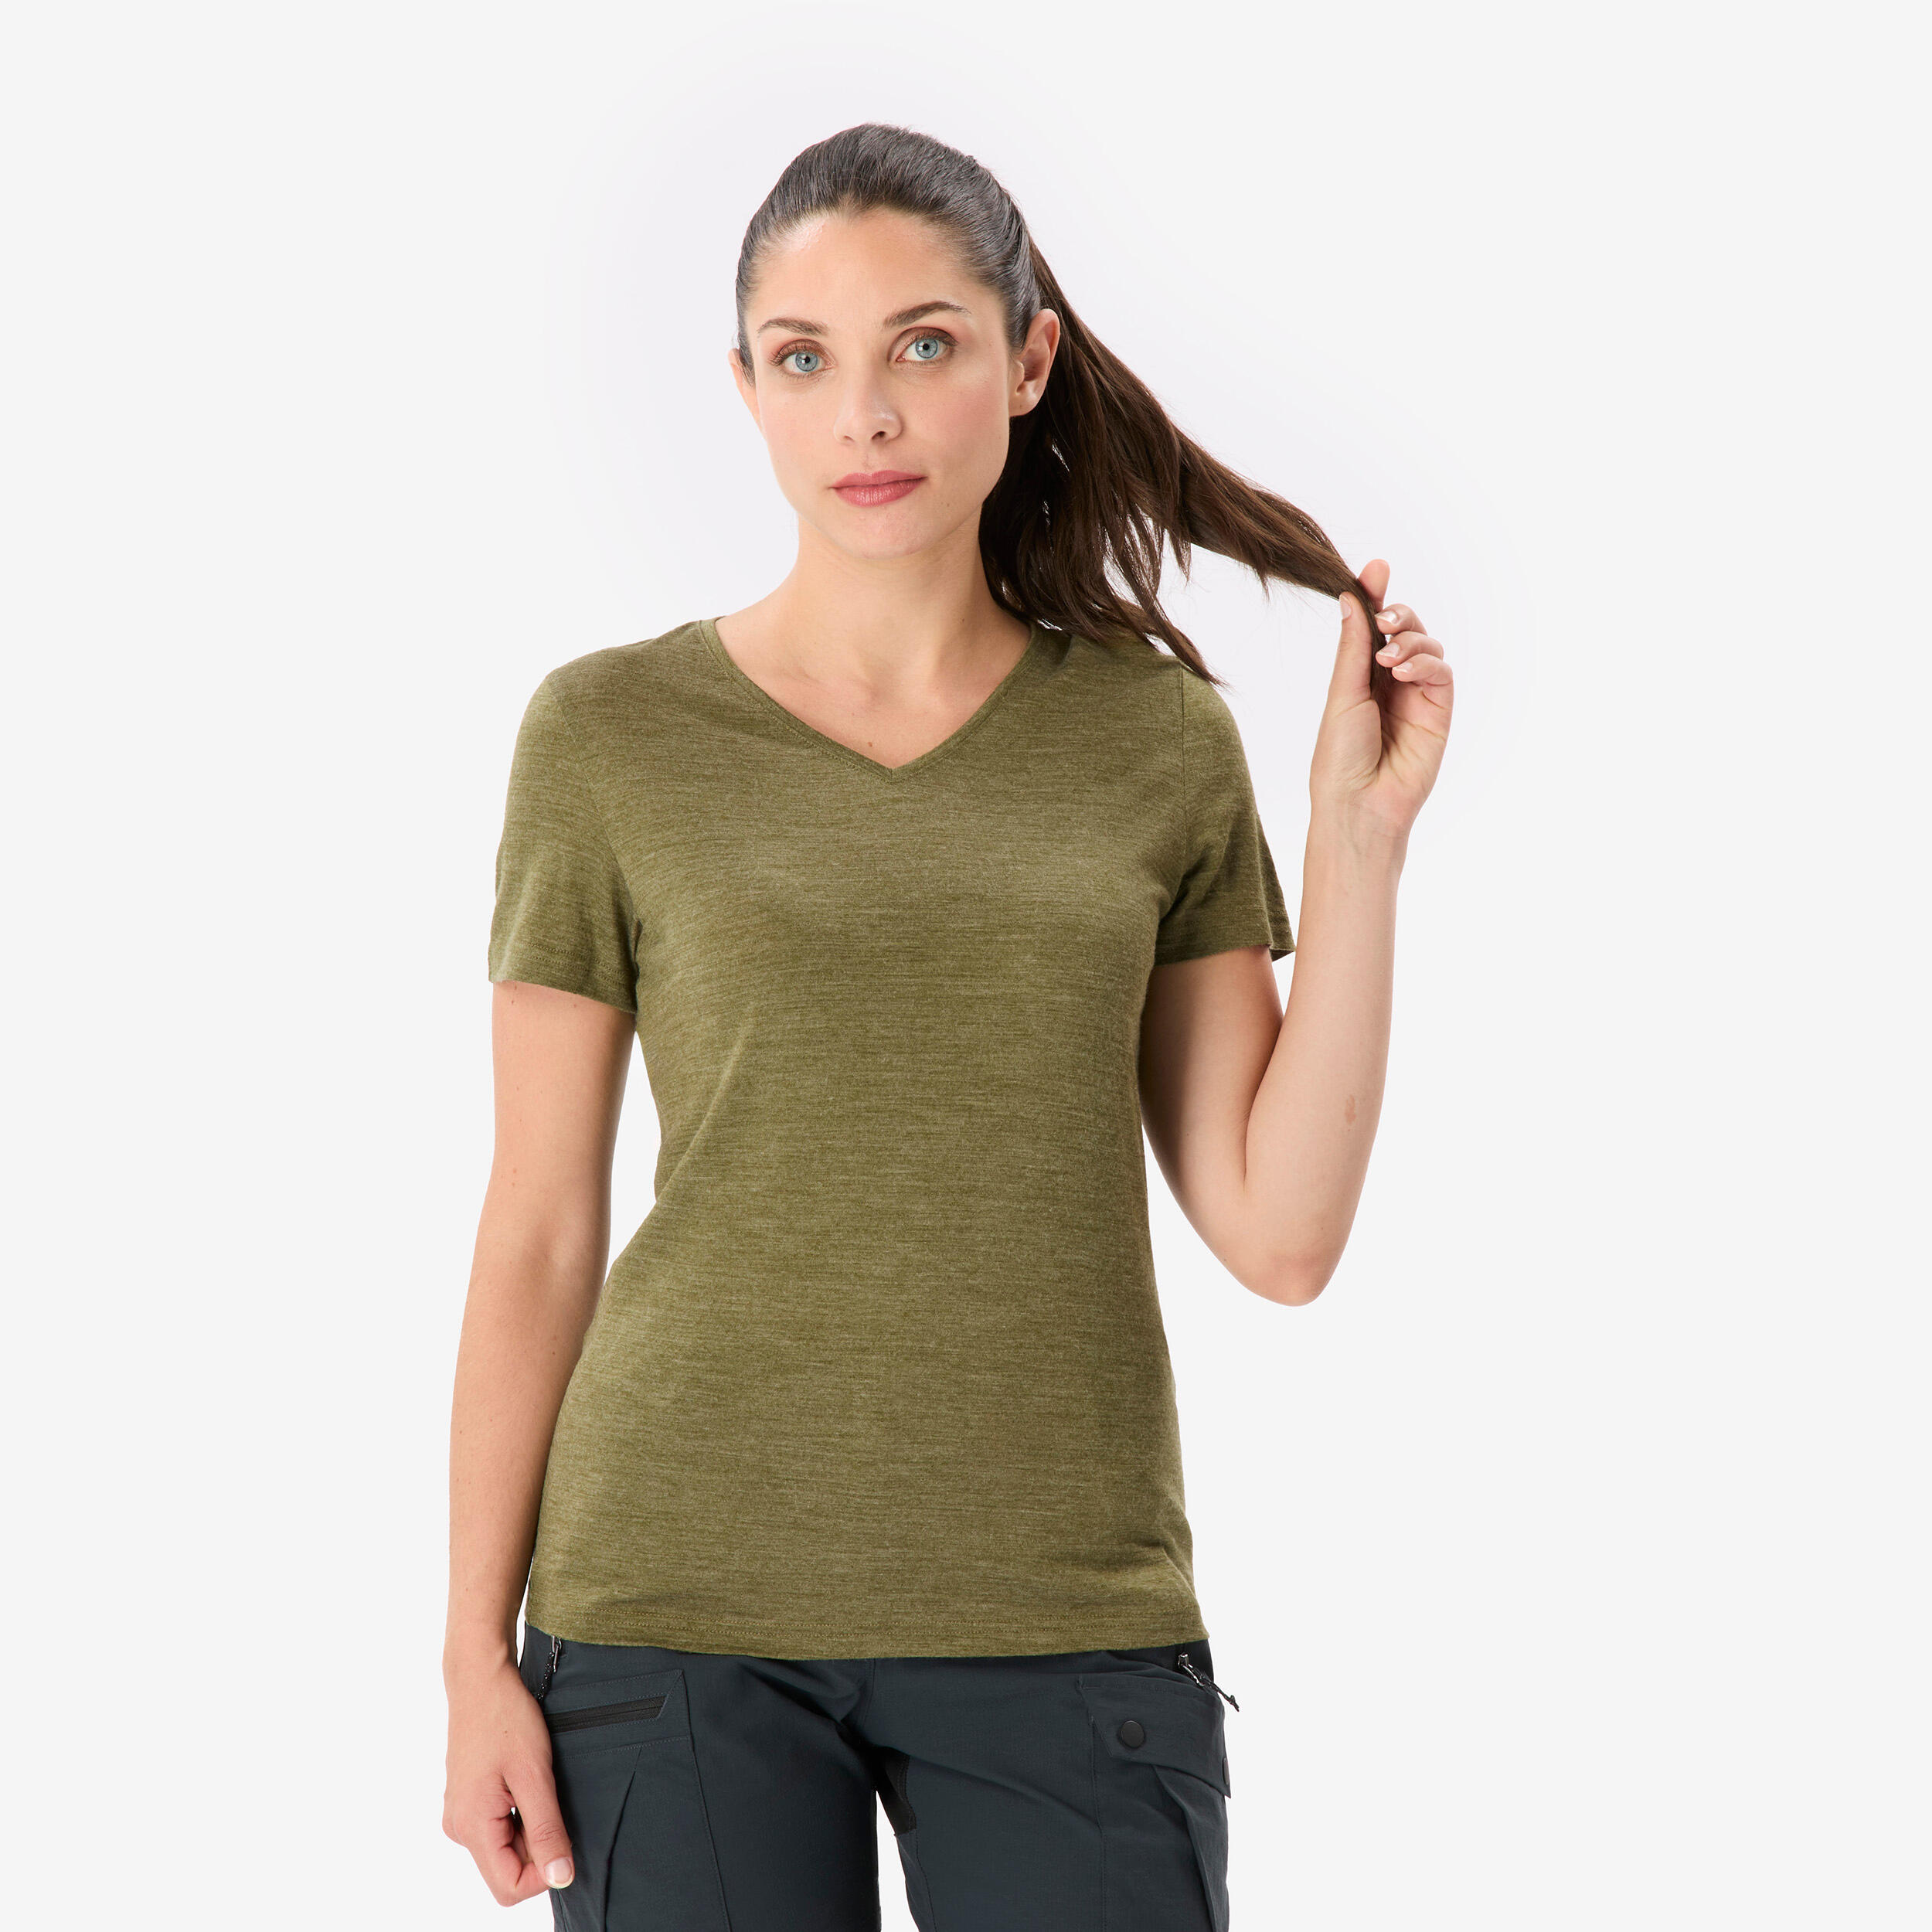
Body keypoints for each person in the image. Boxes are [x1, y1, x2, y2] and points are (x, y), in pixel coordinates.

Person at [441, 121, 1454, 1931]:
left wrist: (1355, 843)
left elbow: (1278, 1230)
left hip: (1064, 1612)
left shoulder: (1152, 742)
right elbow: (535, 1224)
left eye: (923, 343)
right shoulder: (605, 736)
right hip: (668, 1605)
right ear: (744, 390)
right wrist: (468, 1655)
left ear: (1027, 358)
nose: (865, 415)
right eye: (802, 358)